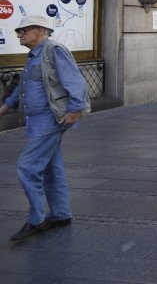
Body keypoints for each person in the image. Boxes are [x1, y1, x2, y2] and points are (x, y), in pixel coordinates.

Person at [0, 15, 89, 242]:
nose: (19, 35)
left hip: (52, 120)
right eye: (18, 32)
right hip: (37, 121)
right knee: (51, 167)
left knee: (27, 167)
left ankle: (36, 219)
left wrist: (75, 109)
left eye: (23, 30)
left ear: (40, 30)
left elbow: (75, 81)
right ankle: (60, 214)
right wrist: (5, 107)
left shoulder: (54, 50)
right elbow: (23, 85)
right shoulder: (33, 56)